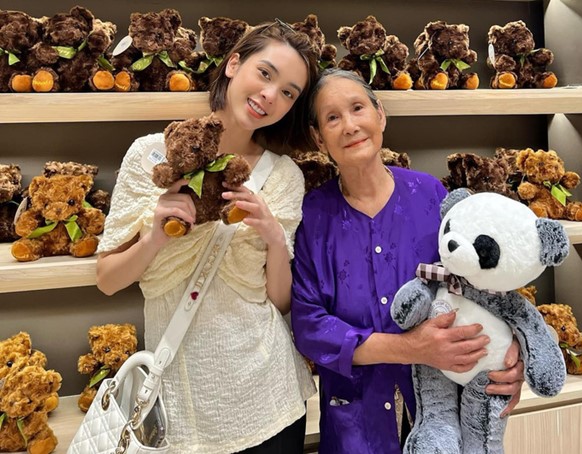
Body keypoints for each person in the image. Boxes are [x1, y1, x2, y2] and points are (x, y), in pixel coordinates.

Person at [96, 21, 319, 454]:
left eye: (289, 92)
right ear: (234, 64)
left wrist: (274, 236)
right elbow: (106, 279)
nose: (271, 96)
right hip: (181, 402)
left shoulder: (285, 177)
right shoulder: (150, 155)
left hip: (270, 395)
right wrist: (155, 238)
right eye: (266, 74)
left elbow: (280, 301)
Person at [290, 68, 524, 453]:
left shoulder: (431, 195)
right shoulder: (314, 215)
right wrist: (411, 347)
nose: (350, 126)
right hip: (356, 425)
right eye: (332, 118)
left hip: (445, 411)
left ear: (380, 114)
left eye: (358, 108)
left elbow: (484, 285)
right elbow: (310, 327)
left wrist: (511, 353)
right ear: (319, 137)